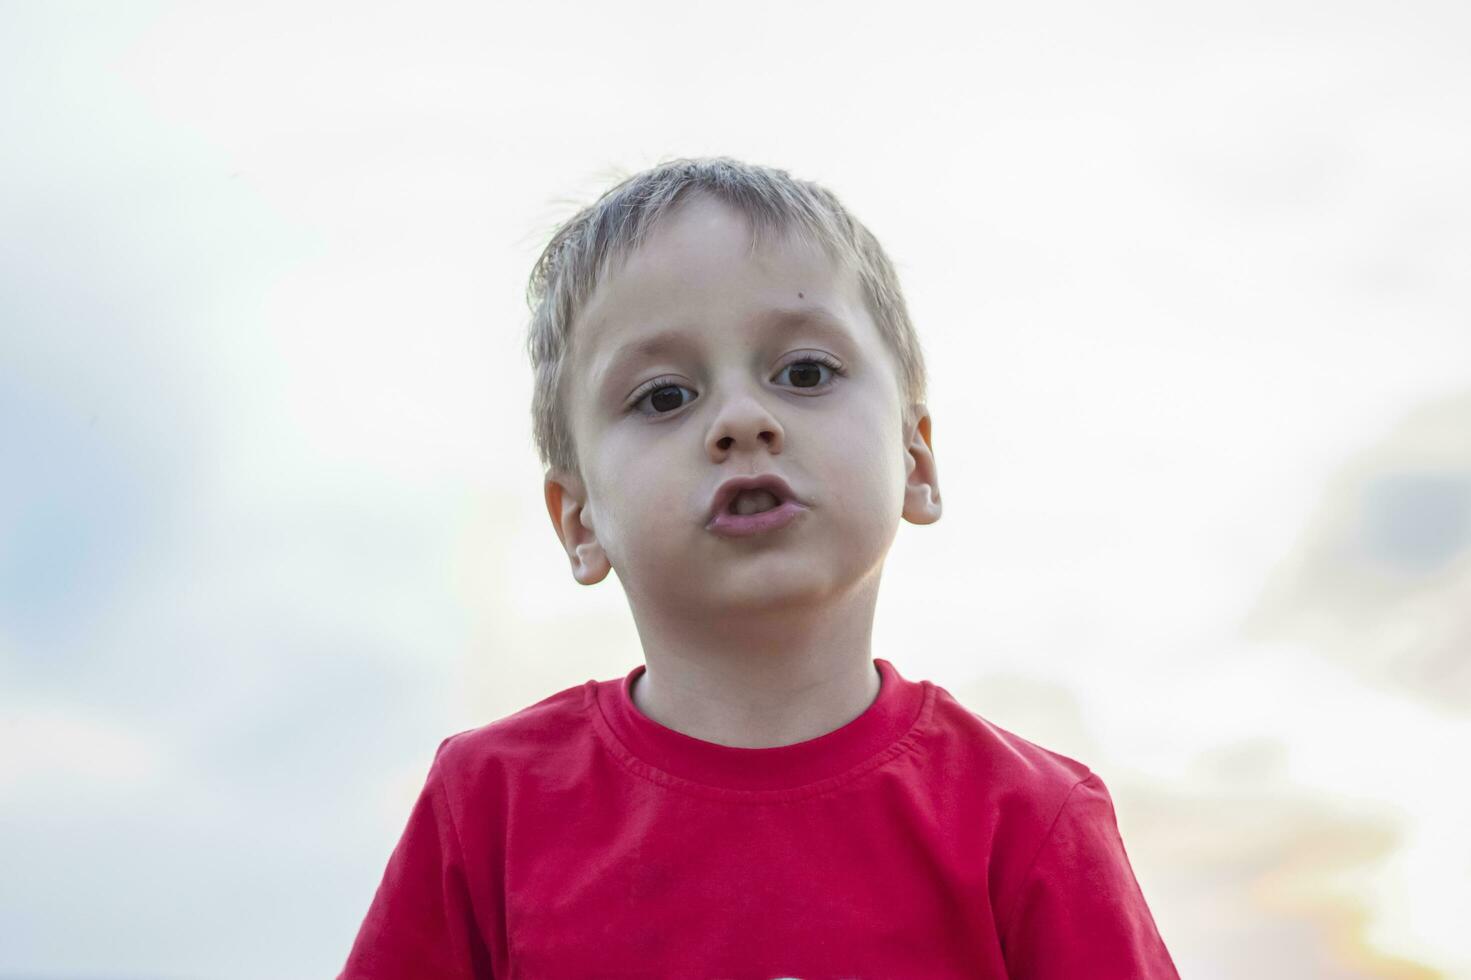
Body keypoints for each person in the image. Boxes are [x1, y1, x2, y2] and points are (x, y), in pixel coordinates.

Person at [338, 157, 1179, 978]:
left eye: (804, 373)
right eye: (664, 396)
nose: (741, 419)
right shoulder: (490, 805)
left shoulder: (1027, 819)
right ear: (579, 519)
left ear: (915, 460)